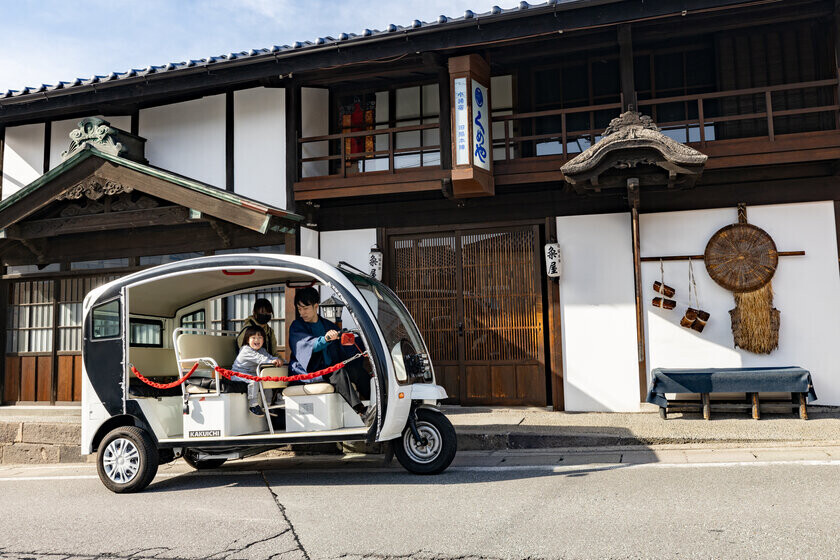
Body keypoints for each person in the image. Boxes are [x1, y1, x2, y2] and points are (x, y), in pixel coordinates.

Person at [288, 287, 375, 426]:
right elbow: (307, 345)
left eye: (305, 308)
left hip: (331, 369)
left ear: (316, 306)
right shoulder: (296, 326)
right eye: (299, 309)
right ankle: (362, 412)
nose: (302, 312)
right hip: (310, 371)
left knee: (356, 371)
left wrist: (364, 343)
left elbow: (343, 349)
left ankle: (381, 404)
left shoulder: (328, 325)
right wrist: (325, 339)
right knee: (338, 372)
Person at [231, 325, 284, 416]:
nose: (257, 340)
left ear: (263, 340)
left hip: (253, 374)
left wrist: (280, 360)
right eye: (253, 337)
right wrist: (272, 361)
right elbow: (261, 359)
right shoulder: (245, 350)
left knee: (266, 380)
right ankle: (253, 405)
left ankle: (267, 405)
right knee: (254, 381)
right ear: (247, 340)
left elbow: (269, 357)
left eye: (260, 337)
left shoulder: (262, 350)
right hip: (239, 374)